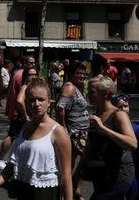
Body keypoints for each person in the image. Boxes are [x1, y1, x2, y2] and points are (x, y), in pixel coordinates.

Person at [0, 77, 72, 200]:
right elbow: (12, 163)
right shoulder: (26, 127)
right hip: (22, 189)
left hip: (44, 192)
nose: (37, 104)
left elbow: (66, 174)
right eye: (32, 100)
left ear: (49, 102)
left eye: (41, 99)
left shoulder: (58, 132)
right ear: (27, 103)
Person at [79, 76, 136, 200]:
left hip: (119, 174)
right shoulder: (96, 115)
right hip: (101, 174)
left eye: (92, 91)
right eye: (88, 91)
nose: (88, 94)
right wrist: (77, 176)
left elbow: (132, 143)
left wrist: (103, 128)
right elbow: (91, 147)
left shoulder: (119, 115)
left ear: (106, 94)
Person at [0, 55, 36, 170]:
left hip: (17, 110)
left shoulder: (19, 73)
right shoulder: (22, 76)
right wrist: (25, 114)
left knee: (19, 136)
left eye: (33, 63)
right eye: (30, 63)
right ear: (24, 63)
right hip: (19, 112)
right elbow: (20, 98)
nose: (33, 65)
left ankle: (12, 160)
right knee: (13, 136)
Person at [56, 60, 90, 198]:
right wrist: (63, 128)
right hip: (75, 133)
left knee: (73, 165)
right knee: (80, 163)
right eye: (78, 73)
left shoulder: (77, 87)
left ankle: (71, 190)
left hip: (81, 132)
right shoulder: (70, 87)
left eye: (83, 74)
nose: (81, 76)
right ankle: (67, 192)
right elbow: (60, 107)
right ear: (71, 74)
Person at [111, 94, 139, 200]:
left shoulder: (136, 129)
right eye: (119, 107)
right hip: (113, 171)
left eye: (125, 106)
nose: (123, 110)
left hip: (133, 172)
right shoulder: (108, 127)